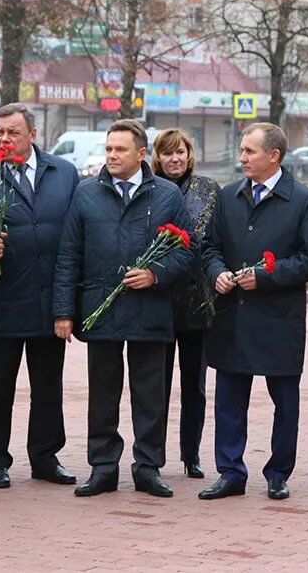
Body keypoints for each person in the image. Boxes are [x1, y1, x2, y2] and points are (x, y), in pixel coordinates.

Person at [53, 119, 193, 499]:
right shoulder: (85, 194)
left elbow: (187, 250)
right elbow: (69, 255)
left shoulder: (166, 195)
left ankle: (148, 467)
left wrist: (155, 274)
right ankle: (103, 467)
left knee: (150, 394)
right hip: (100, 306)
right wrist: (64, 311)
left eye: (120, 150)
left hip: (150, 309)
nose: (111, 156)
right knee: (102, 391)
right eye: (108, 149)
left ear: (142, 154)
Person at [199, 123, 308, 501]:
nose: (241, 158)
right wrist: (217, 272)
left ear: (274, 156)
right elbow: (210, 247)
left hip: (278, 319)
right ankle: (230, 472)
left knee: (285, 403)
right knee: (228, 402)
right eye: (241, 150)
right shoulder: (227, 197)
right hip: (232, 317)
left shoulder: (304, 200)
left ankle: (278, 473)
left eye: (249, 152)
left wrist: (266, 276)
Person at [0, 102, 79, 489]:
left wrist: (69, 300)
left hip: (49, 299)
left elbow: (75, 234)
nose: (5, 139)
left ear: (33, 135)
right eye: (0, 133)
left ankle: (45, 456)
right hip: (4, 297)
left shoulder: (64, 173)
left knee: (47, 384)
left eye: (14, 132)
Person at [152, 128, 220, 479]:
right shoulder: (149, 189)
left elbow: (218, 238)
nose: (175, 159)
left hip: (197, 303)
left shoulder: (208, 190)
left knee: (194, 385)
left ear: (189, 155)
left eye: (180, 153)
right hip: (158, 301)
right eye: (167, 154)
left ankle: (190, 454)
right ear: (157, 157)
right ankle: (154, 454)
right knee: (156, 385)